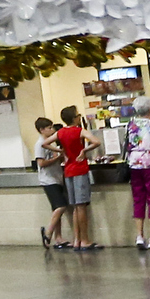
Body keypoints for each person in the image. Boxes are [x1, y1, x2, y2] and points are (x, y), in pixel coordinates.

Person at [125, 96, 150, 249]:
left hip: (134, 164)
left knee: (138, 199)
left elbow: (128, 145)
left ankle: (139, 236)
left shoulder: (130, 125)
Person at [56, 105, 100, 249]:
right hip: (80, 169)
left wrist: (62, 151)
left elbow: (45, 143)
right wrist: (84, 150)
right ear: (75, 118)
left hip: (68, 170)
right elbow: (96, 141)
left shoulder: (61, 133)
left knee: (75, 206)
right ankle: (85, 239)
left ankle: (76, 240)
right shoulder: (80, 131)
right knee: (82, 206)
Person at [34, 116, 69, 247]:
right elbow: (41, 163)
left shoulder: (51, 143)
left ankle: (58, 237)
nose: (52, 130)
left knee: (56, 209)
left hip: (57, 178)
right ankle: (48, 233)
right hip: (48, 180)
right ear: (42, 130)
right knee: (61, 206)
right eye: (49, 128)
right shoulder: (40, 145)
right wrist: (57, 158)